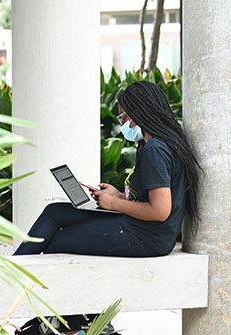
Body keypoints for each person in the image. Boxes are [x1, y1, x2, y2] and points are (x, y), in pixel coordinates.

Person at [13, 81, 202, 257]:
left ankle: (12, 277)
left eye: (123, 117)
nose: (121, 123)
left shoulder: (156, 149)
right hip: (141, 229)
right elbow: (152, 198)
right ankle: (14, 266)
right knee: (54, 212)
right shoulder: (157, 145)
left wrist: (113, 204)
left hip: (145, 237)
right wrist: (118, 196)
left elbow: (160, 211)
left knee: (57, 242)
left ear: (138, 114)